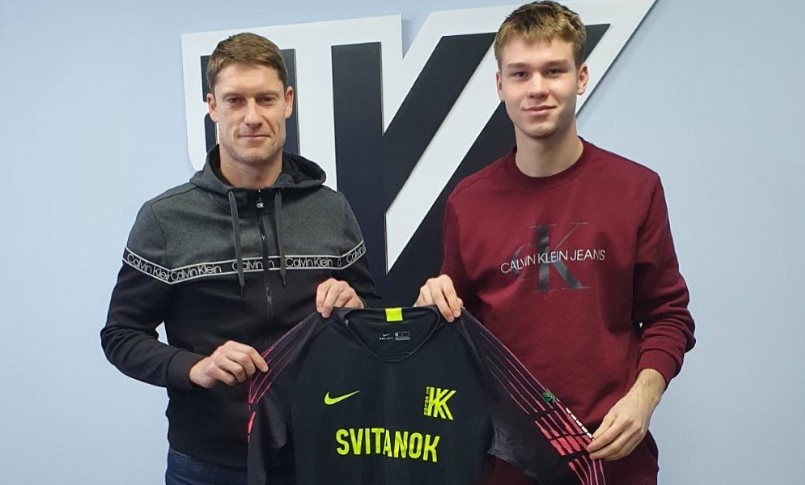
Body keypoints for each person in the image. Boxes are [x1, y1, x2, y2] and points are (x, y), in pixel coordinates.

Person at [416, 2, 695, 484]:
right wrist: (430, 305)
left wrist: (643, 398)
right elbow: (456, 332)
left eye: (554, 71)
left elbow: (669, 316)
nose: (537, 88)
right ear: (500, 85)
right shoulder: (468, 202)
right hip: (508, 463)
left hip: (613, 457)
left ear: (581, 77)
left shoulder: (636, 188)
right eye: (520, 74)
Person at [101, 32, 379, 485]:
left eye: (265, 99)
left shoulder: (332, 209)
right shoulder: (164, 218)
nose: (252, 117)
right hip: (206, 463)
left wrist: (357, 308)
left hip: (322, 453)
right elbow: (120, 336)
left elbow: (373, 317)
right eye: (235, 100)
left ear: (287, 102)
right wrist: (196, 367)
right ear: (212, 106)